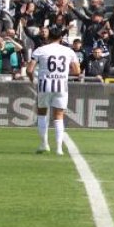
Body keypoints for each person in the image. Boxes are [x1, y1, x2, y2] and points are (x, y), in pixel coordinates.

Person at [25, 26, 81, 155]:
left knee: (42, 113)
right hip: (61, 86)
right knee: (59, 116)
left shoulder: (40, 50)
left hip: (44, 85)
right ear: (61, 38)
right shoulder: (68, 51)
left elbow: (29, 70)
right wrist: (64, 73)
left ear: (48, 37)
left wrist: (32, 79)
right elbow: (77, 71)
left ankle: (44, 144)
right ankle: (59, 148)